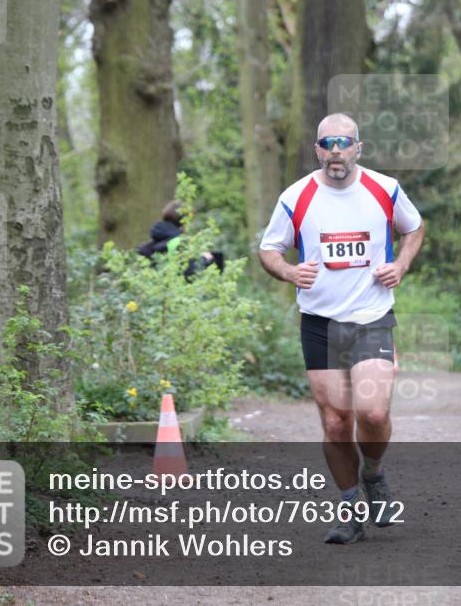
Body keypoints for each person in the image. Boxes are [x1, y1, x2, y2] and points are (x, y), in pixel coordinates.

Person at [258, 113, 425, 544]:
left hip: (371, 317)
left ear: (358, 148)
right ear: (317, 150)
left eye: (344, 142)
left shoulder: (385, 189)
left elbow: (414, 228)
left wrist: (400, 265)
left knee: (373, 413)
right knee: (335, 422)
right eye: (327, 143)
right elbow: (269, 249)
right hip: (320, 322)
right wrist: (289, 272)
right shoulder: (295, 197)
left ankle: (374, 473)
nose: (336, 151)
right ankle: (350, 507)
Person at [137, 200, 224, 277]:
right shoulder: (180, 243)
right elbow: (190, 273)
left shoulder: (148, 246)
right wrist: (206, 259)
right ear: (184, 222)